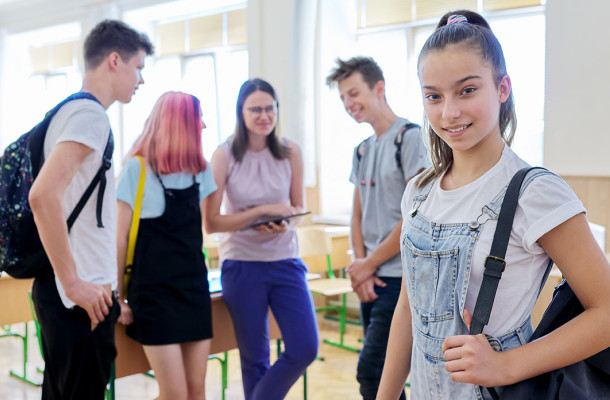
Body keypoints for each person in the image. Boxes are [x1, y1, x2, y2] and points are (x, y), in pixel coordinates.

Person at [377, 10, 610, 400]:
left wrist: (505, 365)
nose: (449, 112)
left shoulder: (535, 192)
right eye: (433, 96)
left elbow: (605, 312)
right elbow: (408, 308)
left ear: (502, 88)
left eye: (467, 90)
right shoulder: (418, 191)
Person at [28, 19, 153, 399]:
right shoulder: (89, 117)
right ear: (115, 60)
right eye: (138, 68)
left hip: (70, 292)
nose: (141, 80)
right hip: (78, 297)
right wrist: (74, 284)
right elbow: (42, 196)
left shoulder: (69, 112)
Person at [203, 78, 318, 400]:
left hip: (286, 261)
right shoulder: (224, 155)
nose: (264, 115)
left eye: (270, 108)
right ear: (241, 112)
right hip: (242, 265)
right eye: (255, 109)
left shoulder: (290, 151)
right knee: (254, 358)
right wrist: (262, 212)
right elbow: (212, 222)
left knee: (305, 347)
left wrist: (285, 222)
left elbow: (297, 207)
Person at [325, 56, 429, 400]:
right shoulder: (361, 150)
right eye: (342, 98)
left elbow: (415, 216)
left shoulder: (410, 138)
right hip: (371, 276)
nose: (348, 104)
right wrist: (362, 267)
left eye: (353, 93)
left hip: (400, 280)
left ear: (379, 88)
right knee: (385, 377)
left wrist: (368, 265)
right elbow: (357, 216)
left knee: (371, 372)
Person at [115, 91, 216, 399]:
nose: (203, 125)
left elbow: (207, 226)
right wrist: (118, 297)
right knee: (174, 394)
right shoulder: (137, 169)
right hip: (154, 296)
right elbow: (119, 239)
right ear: (181, 124)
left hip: (194, 291)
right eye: (198, 118)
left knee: (196, 392)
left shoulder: (202, 170)